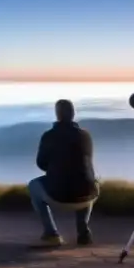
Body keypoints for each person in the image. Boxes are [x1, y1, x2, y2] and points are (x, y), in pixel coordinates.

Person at [27, 99, 100, 248]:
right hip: (87, 196)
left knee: (33, 185)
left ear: (57, 114)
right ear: (73, 114)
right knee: (88, 181)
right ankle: (83, 233)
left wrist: (56, 168)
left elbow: (41, 163)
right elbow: (87, 163)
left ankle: (51, 234)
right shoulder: (85, 135)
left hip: (58, 196)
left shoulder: (49, 136)